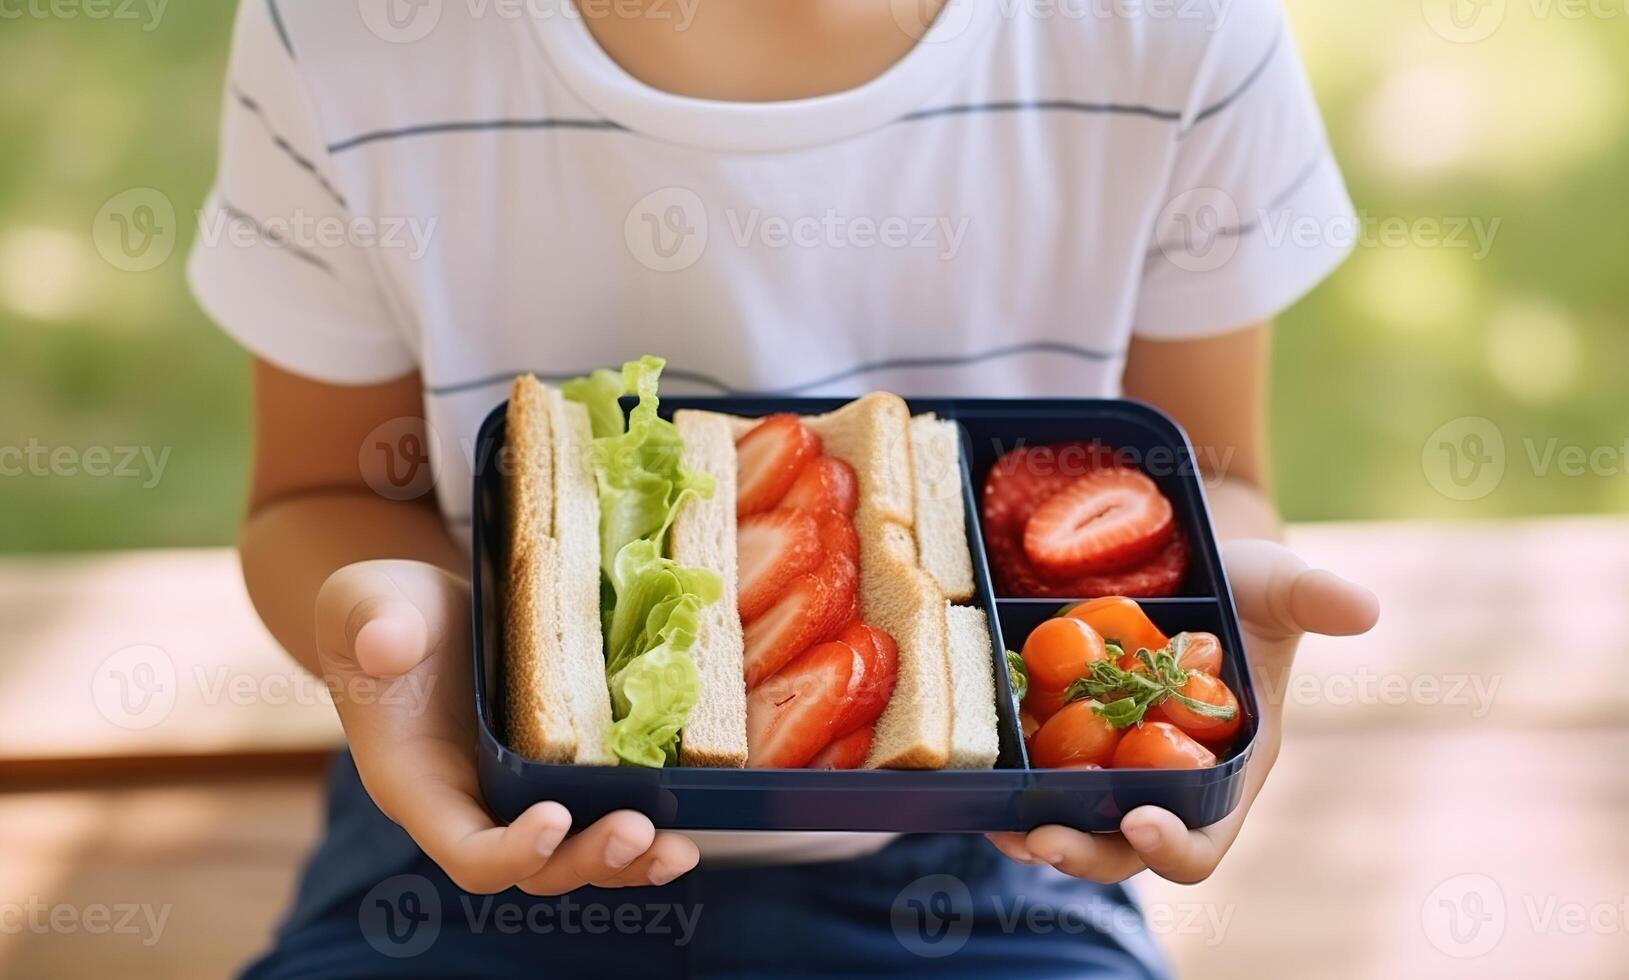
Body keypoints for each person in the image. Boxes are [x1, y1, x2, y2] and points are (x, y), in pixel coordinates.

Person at [189, 0, 1379, 975]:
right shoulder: (346, 32)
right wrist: (401, 648)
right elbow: (317, 493)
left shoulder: (1178, 33)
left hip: (989, 857)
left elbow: (1213, 480)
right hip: (461, 826)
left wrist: (1223, 595)